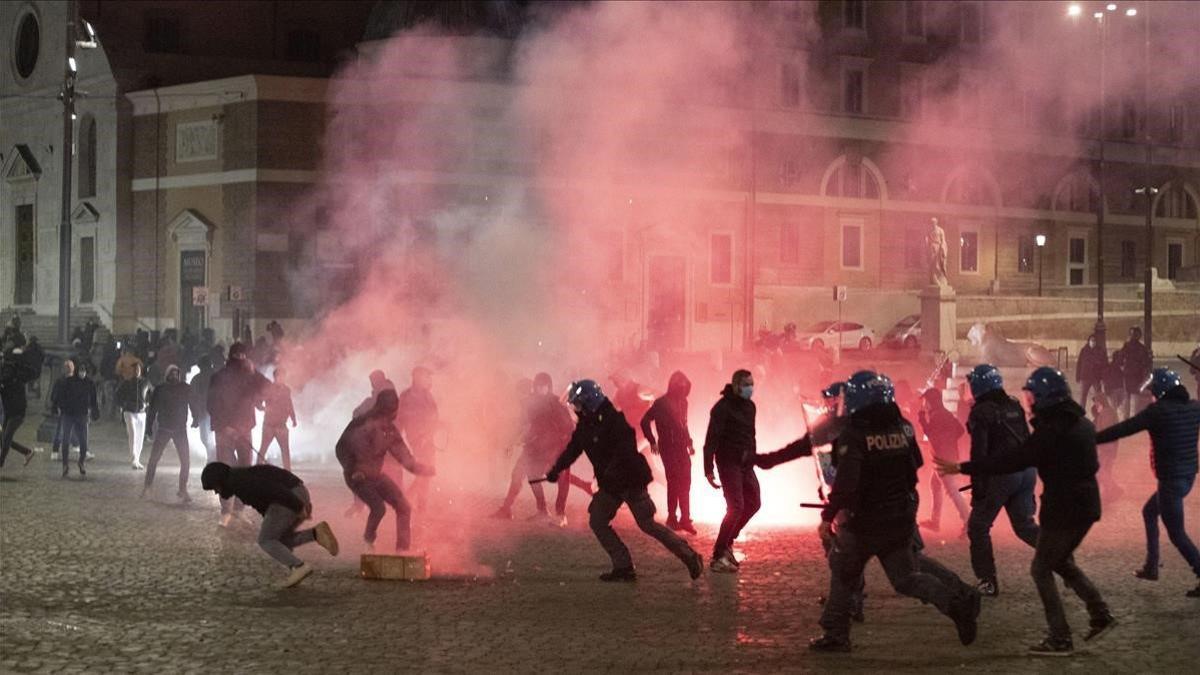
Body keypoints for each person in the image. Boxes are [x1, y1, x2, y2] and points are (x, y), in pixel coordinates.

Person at [938, 367, 1115, 656]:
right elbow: (1087, 464)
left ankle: (1059, 636)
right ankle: (1099, 613)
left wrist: (967, 470)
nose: (1029, 400)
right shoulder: (1080, 423)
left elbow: (1009, 457)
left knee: (1036, 566)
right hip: (1084, 503)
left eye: (1032, 394)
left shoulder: (1047, 430)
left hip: (1061, 506)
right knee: (1044, 547)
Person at [799, 370, 980, 652]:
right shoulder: (902, 428)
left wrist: (828, 515)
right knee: (905, 578)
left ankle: (836, 633)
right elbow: (915, 466)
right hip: (896, 514)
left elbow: (846, 481)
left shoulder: (855, 433)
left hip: (863, 519)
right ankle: (955, 604)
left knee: (845, 570)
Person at [545, 380, 703, 582]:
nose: (575, 409)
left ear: (588, 403)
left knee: (646, 524)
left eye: (577, 404)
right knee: (598, 520)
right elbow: (574, 449)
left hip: (630, 480)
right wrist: (556, 469)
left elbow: (624, 451)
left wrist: (607, 473)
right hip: (612, 483)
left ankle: (690, 556)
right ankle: (623, 566)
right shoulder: (587, 425)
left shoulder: (613, 420)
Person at [1095, 368, 1200, 597]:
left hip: (1170, 480)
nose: (1151, 396)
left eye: (1153, 392)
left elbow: (1124, 428)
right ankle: (1152, 566)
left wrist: (1092, 438)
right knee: (1149, 512)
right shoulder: (1194, 408)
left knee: (1177, 534)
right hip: (1187, 477)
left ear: (1161, 391)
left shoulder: (1158, 412)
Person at [962, 364, 1040, 597]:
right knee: (1025, 527)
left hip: (1002, 475)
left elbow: (979, 455)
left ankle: (987, 581)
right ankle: (1062, 556)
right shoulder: (1014, 405)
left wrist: (978, 489)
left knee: (978, 527)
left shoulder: (981, 411)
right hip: (1025, 471)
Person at [200, 462, 339, 588]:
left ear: (219, 480)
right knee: (278, 540)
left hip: (290, 497)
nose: (216, 492)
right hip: (295, 494)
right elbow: (263, 504)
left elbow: (273, 489)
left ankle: (298, 567)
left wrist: (297, 506)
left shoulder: (239, 481)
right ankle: (316, 533)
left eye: (215, 487)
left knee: (266, 540)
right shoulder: (239, 479)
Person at [335, 389, 434, 552]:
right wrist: (353, 469)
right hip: (357, 477)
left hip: (375, 475)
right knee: (378, 507)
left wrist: (423, 469)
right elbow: (341, 448)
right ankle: (368, 542)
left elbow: (405, 458)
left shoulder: (390, 430)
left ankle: (402, 550)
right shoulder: (361, 424)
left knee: (404, 507)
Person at [492, 372, 576, 524]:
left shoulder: (556, 403)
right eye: (537, 386)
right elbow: (523, 424)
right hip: (534, 447)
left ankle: (560, 514)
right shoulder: (530, 403)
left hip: (555, 448)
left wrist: (564, 446)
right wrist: (511, 442)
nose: (539, 389)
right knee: (521, 474)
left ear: (548, 387)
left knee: (562, 478)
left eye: (542, 386)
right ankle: (535, 510)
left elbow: (569, 426)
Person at [207, 342, 270, 525]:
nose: (242, 359)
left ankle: (236, 510)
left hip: (240, 429)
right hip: (226, 431)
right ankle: (227, 511)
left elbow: (267, 388)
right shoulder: (220, 377)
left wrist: (254, 373)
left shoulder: (249, 375)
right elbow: (212, 403)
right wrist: (224, 426)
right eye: (241, 355)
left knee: (240, 470)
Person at [704, 369, 760, 572]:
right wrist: (708, 469)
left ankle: (728, 541)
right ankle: (719, 554)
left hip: (746, 464)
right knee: (736, 506)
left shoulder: (750, 407)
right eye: (746, 384)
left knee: (754, 502)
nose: (750, 388)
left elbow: (751, 435)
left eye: (751, 384)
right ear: (736, 386)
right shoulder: (722, 408)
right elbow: (711, 440)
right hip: (728, 463)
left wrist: (753, 458)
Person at [641, 370, 697, 534]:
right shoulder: (661, 403)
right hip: (667, 447)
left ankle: (685, 519)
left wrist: (689, 443)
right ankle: (672, 518)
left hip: (680, 447)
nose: (683, 390)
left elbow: (683, 425)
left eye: (685, 387)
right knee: (674, 481)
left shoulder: (683, 403)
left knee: (685, 481)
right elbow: (645, 421)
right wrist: (652, 441)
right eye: (681, 387)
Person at [918, 388, 969, 534]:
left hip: (942, 458)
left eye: (925, 401)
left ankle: (968, 521)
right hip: (947, 456)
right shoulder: (944, 413)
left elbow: (929, 432)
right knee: (935, 485)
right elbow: (960, 430)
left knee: (951, 490)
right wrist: (948, 440)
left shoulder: (937, 415)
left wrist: (921, 418)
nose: (924, 404)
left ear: (930, 401)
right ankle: (935, 521)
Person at [143, 365, 193, 502]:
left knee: (185, 461)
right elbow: (153, 409)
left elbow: (192, 403)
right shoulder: (161, 389)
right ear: (167, 375)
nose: (174, 376)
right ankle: (148, 486)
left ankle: (182, 489)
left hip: (180, 429)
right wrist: (149, 427)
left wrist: (195, 416)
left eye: (177, 374)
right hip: (164, 428)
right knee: (154, 459)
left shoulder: (185, 388)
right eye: (172, 374)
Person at [396, 366, 439, 511]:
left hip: (428, 437)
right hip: (418, 438)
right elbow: (400, 418)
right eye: (426, 376)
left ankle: (416, 502)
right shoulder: (407, 396)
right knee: (425, 471)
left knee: (426, 472)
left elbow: (433, 414)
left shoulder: (427, 394)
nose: (429, 379)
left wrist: (438, 426)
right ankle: (415, 502)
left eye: (429, 376)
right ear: (416, 377)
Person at [55, 359, 99, 478]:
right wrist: (61, 407)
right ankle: (65, 465)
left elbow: (93, 399)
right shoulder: (68, 382)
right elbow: (61, 395)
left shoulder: (89, 383)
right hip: (68, 414)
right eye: (80, 370)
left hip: (82, 415)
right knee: (65, 440)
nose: (82, 373)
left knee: (84, 442)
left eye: (84, 371)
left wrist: (94, 411)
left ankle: (81, 462)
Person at [0, 345, 39, 468]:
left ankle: (0, 463)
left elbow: (33, 372)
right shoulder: (8, 375)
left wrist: (19, 365)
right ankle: (26, 452)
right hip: (8, 411)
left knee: (6, 438)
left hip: (17, 413)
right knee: (4, 439)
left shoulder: (17, 375)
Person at [258, 367, 297, 470]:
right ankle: (256, 470)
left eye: (284, 376)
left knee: (285, 451)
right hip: (269, 425)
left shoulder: (286, 390)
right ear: (275, 377)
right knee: (263, 449)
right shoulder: (269, 389)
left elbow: (289, 404)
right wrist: (263, 408)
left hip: (281, 425)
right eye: (281, 376)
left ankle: (288, 472)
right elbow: (259, 401)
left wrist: (293, 418)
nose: (283, 378)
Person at [115, 362, 153, 470]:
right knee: (133, 434)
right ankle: (134, 458)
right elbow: (118, 395)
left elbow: (152, 395)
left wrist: (147, 404)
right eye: (135, 369)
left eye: (138, 369)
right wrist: (123, 405)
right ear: (132, 371)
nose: (137, 371)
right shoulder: (126, 383)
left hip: (141, 413)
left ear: (140, 370)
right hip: (129, 412)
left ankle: (137, 459)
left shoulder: (146, 382)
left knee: (140, 437)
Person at [1090, 392, 1123, 503]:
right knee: (1105, 471)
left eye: (1097, 403)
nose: (1096, 405)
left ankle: (1114, 490)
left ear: (1101, 403)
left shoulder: (1106, 413)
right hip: (1108, 448)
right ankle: (1108, 494)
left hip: (1106, 449)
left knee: (1101, 471)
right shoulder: (1107, 413)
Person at [1115, 326, 1153, 418]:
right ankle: (1132, 422)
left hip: (1130, 376)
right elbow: (1146, 364)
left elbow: (1119, 360)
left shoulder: (1127, 346)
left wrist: (1123, 368)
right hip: (1135, 376)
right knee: (1134, 403)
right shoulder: (1141, 348)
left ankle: (1127, 422)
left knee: (1129, 402)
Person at [610, 372, 651, 447]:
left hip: (644, 432)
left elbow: (658, 398)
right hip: (633, 433)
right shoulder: (619, 394)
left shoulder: (639, 388)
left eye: (616, 379)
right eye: (614, 380)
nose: (615, 383)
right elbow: (609, 410)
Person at [189, 356, 217, 462]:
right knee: (207, 438)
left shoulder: (197, 379)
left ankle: (212, 458)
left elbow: (192, 400)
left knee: (206, 438)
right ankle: (212, 457)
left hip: (207, 412)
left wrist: (195, 417)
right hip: (207, 412)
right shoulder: (197, 379)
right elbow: (192, 399)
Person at [1076, 333, 1108, 408]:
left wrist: (1103, 378)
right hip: (1085, 377)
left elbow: (1104, 365)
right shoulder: (1084, 350)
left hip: (1096, 377)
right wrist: (1078, 376)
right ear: (1088, 341)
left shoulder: (1100, 351)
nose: (1093, 342)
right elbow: (1079, 363)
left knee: (1099, 396)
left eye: (1094, 341)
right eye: (1091, 340)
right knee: (1083, 396)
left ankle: (1100, 412)